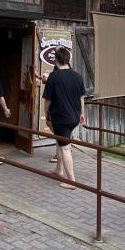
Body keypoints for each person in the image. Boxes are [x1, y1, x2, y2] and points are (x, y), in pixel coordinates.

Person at [42, 46, 85, 189]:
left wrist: (45, 113)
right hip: (74, 116)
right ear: (68, 59)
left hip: (61, 118)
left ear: (56, 61)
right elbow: (81, 97)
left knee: (65, 148)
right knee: (60, 142)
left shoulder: (53, 77)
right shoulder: (77, 76)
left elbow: (47, 100)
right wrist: (82, 114)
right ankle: (58, 170)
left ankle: (71, 181)